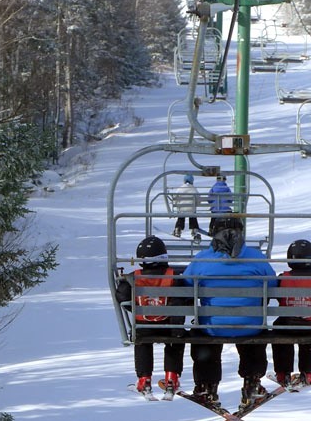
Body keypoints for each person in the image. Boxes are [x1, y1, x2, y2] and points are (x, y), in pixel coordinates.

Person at [183, 218, 277, 408]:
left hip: (213, 328)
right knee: (253, 325)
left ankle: (206, 386)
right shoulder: (256, 258)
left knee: (202, 328)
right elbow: (273, 286)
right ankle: (252, 383)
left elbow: (185, 287)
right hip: (250, 327)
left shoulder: (202, 259)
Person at [115, 236, 185, 397]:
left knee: (143, 342)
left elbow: (123, 297)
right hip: (170, 327)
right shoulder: (173, 276)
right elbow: (185, 299)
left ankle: (144, 379)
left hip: (143, 327)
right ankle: (171, 378)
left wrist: (140, 309)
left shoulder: (134, 277)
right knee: (175, 341)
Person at [272, 240, 311, 387]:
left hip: (287, 324)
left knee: (280, 334)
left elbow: (276, 295)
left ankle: (283, 373)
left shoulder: (283, 278)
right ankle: (309, 372)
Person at [173, 173, 201, 240]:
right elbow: (199, 200)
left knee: (181, 216)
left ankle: (178, 228)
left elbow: (175, 198)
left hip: (181, 209)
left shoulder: (180, 189)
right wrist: (196, 205)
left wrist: (177, 205)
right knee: (193, 215)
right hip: (191, 209)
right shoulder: (194, 189)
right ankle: (194, 229)